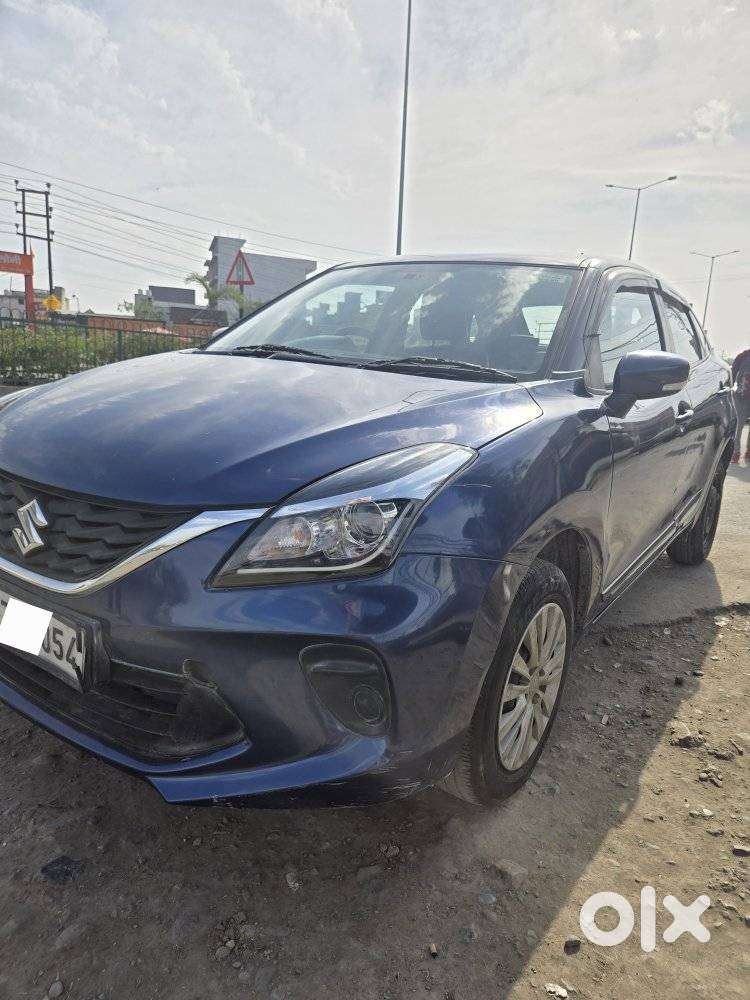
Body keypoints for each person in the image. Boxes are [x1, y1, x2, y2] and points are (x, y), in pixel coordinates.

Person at [732, 346, 750, 463]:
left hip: (744, 394)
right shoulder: (742, 356)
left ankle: (748, 452)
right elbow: (732, 373)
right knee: (739, 423)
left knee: (740, 424)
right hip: (741, 395)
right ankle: (736, 453)